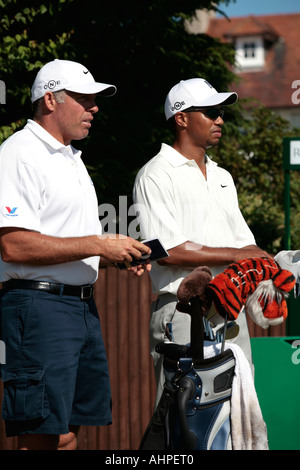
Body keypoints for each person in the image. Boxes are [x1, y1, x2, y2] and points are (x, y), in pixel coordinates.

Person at [0, 59, 151, 450]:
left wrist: (116, 254)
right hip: (37, 306)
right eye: (85, 99)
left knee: (68, 432)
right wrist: (99, 244)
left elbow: (67, 243)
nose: (95, 107)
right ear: (50, 99)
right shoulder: (18, 152)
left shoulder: (71, 158)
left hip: (79, 307)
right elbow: (14, 244)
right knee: (42, 435)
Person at [133, 78, 272, 406]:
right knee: (185, 421)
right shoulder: (155, 175)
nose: (220, 119)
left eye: (221, 112)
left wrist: (273, 262)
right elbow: (167, 251)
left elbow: (246, 246)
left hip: (232, 310)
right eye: (211, 112)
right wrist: (238, 254)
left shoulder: (223, 176)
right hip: (183, 313)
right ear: (181, 118)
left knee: (237, 416)